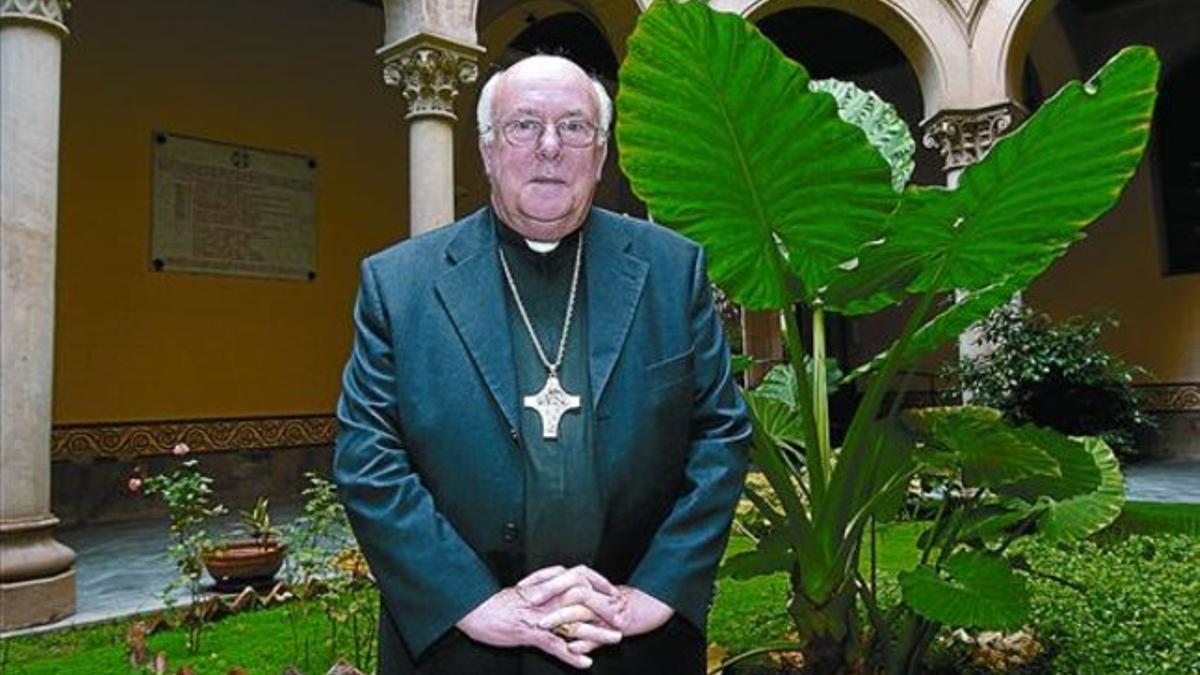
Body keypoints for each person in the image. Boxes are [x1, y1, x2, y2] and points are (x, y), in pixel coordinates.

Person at [333, 54, 752, 674]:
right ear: (487, 148)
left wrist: (660, 589)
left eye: (575, 127)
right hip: (464, 644)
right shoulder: (400, 285)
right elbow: (368, 457)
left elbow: (720, 433)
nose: (549, 147)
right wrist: (470, 601)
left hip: (631, 638)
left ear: (601, 152)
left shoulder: (672, 270)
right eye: (523, 125)